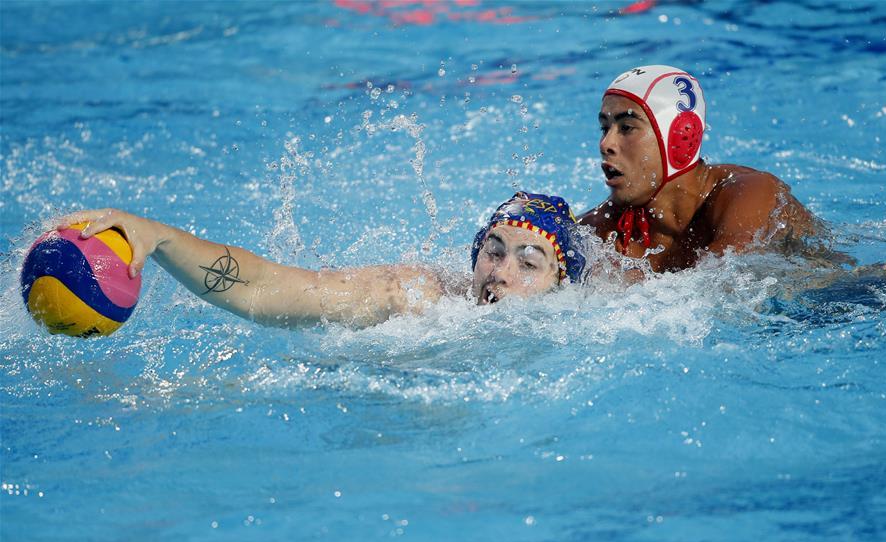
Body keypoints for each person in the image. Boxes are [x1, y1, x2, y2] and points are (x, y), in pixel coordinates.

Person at [55, 192, 587, 328]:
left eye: (529, 262)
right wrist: (161, 237)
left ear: (561, 285)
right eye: (493, 251)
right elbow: (263, 288)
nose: (500, 271)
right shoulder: (415, 296)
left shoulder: (591, 329)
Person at [579, 64, 818, 272]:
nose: (605, 144)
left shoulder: (750, 194)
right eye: (604, 128)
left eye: (627, 127)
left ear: (679, 136)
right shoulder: (606, 229)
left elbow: (724, 283)